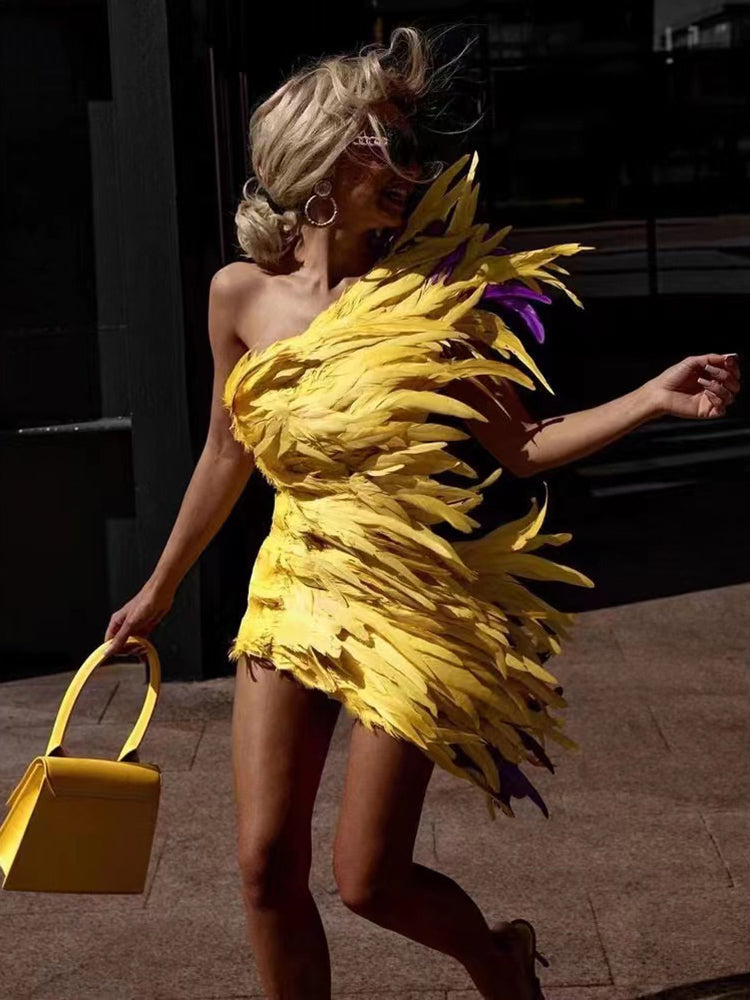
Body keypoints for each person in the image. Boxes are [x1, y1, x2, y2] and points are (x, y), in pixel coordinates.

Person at [104, 26, 741, 1000]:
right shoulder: (239, 294)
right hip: (291, 590)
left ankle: (501, 962)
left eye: (418, 151)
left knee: (367, 877)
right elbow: (227, 451)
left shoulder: (436, 300)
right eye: (393, 146)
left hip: (412, 603)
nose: (414, 170)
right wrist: (158, 588)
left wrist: (652, 397)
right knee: (264, 868)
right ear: (322, 148)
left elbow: (524, 445)